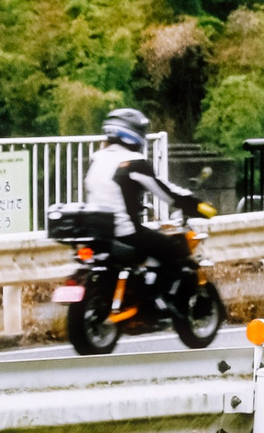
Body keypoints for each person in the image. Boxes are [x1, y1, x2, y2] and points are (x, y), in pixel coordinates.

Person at [82, 107, 192, 307]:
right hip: (126, 233)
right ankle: (157, 301)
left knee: (150, 246)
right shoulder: (134, 162)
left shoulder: (96, 159)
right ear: (134, 134)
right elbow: (166, 193)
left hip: (97, 233)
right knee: (175, 249)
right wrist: (194, 203)